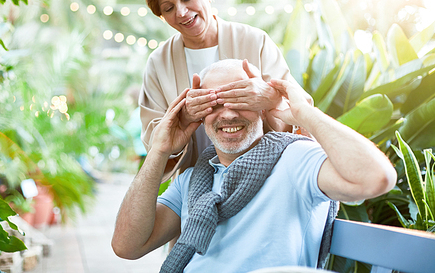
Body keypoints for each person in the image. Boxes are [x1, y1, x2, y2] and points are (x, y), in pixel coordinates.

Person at [112, 59, 397, 272]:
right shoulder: (192, 181)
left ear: (263, 105)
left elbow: (376, 178)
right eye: (214, 103)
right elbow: (127, 246)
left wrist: (303, 113)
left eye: (242, 98)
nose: (229, 113)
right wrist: (160, 150)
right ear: (200, 116)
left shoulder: (295, 159)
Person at [139, 0, 312, 182]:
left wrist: (269, 99)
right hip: (193, 183)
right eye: (168, 8)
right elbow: (152, 137)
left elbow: (296, 109)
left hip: (263, 178)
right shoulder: (158, 63)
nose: (181, 12)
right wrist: (183, 118)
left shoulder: (255, 41)